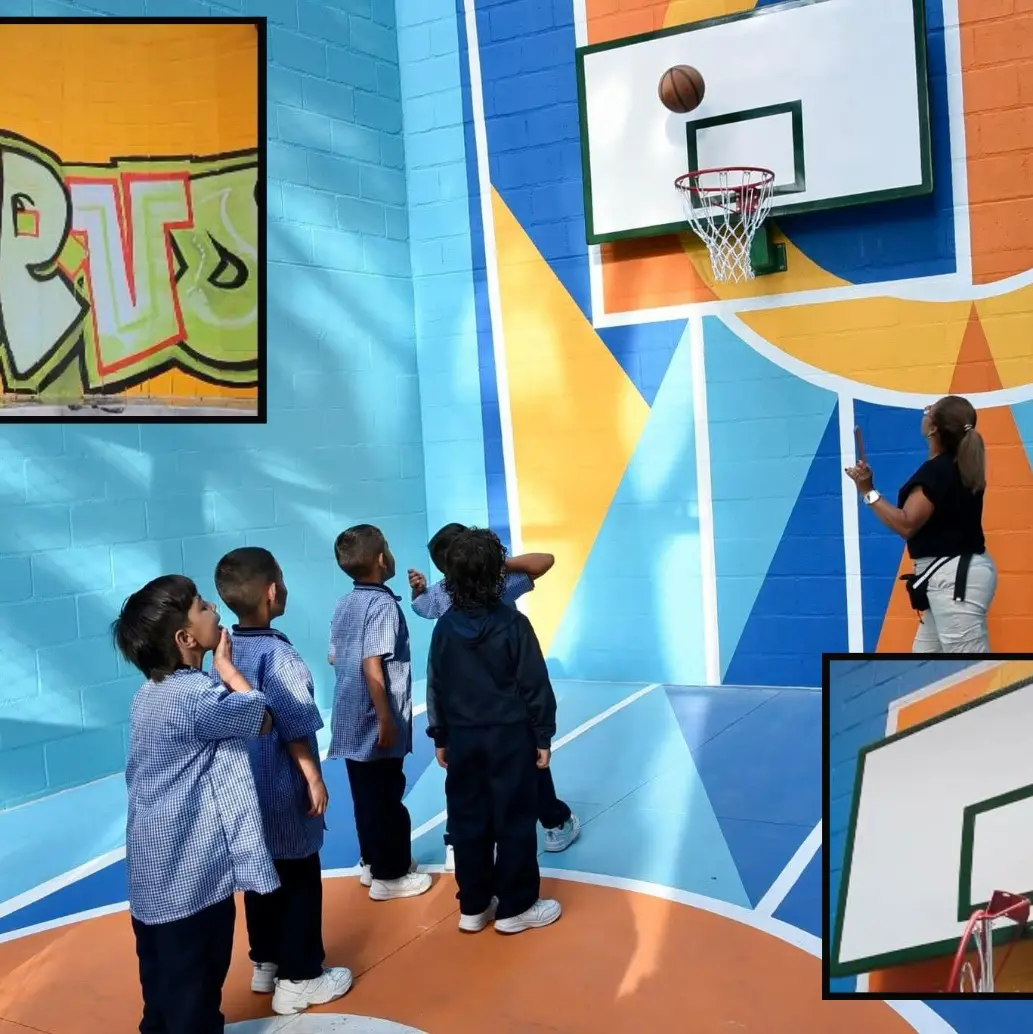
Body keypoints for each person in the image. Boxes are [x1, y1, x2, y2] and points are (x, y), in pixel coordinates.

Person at [113, 575, 279, 1034]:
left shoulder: (149, 694)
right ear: (185, 639)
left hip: (153, 877)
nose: (216, 612)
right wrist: (228, 669)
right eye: (204, 607)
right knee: (198, 995)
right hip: (193, 876)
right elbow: (261, 717)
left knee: (164, 992)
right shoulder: (197, 698)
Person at [213, 547, 352, 1016]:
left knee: (260, 877)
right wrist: (313, 776)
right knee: (297, 877)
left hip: (244, 790)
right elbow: (295, 723)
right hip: (282, 789)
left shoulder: (226, 653)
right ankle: (302, 976)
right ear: (273, 592)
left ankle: (266, 961)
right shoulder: (280, 656)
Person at [409, 523, 580, 873]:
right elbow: (545, 561)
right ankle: (551, 823)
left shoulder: (443, 599)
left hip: (464, 715)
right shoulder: (500, 586)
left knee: (465, 787)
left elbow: (422, 611)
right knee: (528, 769)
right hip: (506, 710)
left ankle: (458, 842)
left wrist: (420, 591)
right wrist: (495, 564)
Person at [427, 527, 563, 935]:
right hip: (509, 740)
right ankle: (516, 907)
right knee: (515, 820)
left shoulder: (445, 628)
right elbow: (535, 685)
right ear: (498, 576)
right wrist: (543, 736)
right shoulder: (513, 625)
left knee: (468, 820)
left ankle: (473, 905)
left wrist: (442, 736)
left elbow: (437, 684)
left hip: (464, 741)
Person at [328, 524, 432, 900]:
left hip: (349, 719)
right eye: (387, 545)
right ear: (381, 559)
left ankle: (372, 862)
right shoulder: (383, 605)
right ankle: (391, 875)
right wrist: (386, 719)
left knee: (366, 797)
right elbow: (373, 664)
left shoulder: (346, 603)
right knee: (388, 798)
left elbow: (335, 656)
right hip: (375, 721)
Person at [846, 394, 996, 652]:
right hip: (951, 574)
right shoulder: (959, 467)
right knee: (924, 659)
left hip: (952, 578)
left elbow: (907, 524)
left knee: (969, 667)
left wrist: (868, 491)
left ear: (934, 428)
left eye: (929, 410)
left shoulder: (938, 471)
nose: (925, 412)